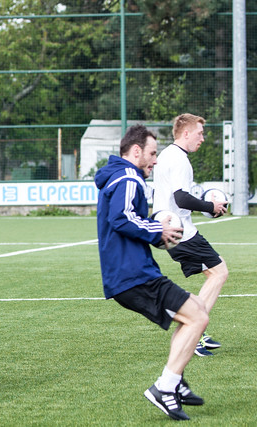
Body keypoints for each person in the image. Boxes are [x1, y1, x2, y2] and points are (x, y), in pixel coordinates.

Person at [95, 124, 209, 421]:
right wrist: (159, 229)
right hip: (133, 275)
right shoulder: (128, 175)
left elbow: (127, 221)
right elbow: (122, 219)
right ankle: (165, 386)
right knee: (198, 317)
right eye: (152, 153)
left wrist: (157, 234)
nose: (155, 160)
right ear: (136, 152)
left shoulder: (118, 175)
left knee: (195, 309)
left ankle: (176, 381)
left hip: (133, 273)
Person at [152, 113, 229, 357]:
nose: (202, 138)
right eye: (199, 133)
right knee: (219, 273)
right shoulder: (179, 160)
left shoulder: (169, 155)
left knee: (214, 273)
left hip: (173, 228)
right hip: (179, 231)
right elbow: (181, 198)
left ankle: (194, 325)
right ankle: (193, 328)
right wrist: (211, 207)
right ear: (186, 133)